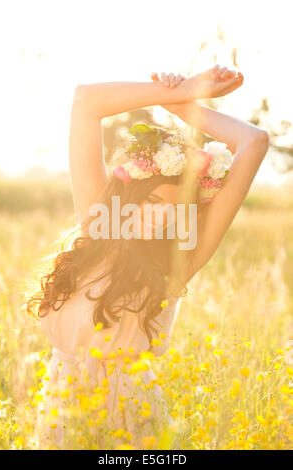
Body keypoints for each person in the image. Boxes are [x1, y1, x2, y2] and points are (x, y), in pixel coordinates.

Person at [28, 65, 269, 449]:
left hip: (131, 414)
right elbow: (85, 100)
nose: (161, 217)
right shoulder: (97, 226)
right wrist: (179, 91)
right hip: (62, 408)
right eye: (153, 202)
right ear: (131, 197)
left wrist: (188, 110)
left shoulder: (178, 262)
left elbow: (254, 142)